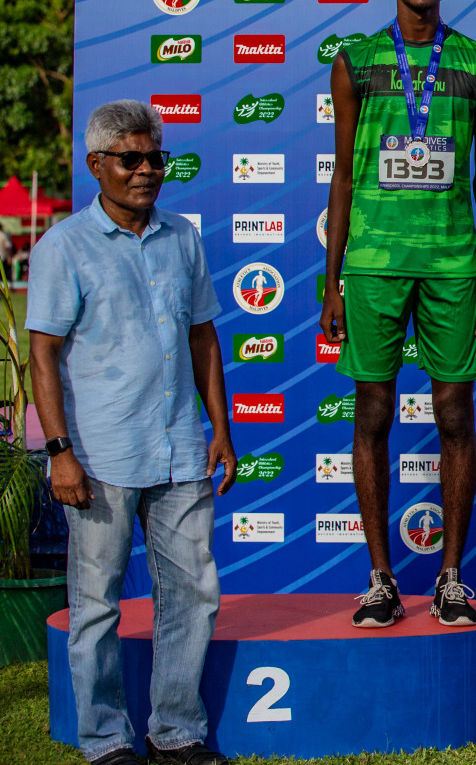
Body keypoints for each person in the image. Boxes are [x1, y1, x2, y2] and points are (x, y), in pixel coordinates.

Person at [28, 100, 237, 765]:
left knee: (194, 595)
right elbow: (42, 355)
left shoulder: (183, 237)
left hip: (180, 450)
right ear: (97, 166)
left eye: (156, 158)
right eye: (130, 159)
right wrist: (60, 452)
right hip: (102, 458)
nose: (147, 170)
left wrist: (221, 428)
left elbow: (202, 334)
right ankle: (106, 741)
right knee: (97, 607)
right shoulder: (63, 246)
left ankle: (176, 733)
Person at [320, 0, 476, 627]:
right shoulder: (356, 60)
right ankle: (379, 579)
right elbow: (341, 175)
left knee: (455, 413)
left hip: (452, 262)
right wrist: (330, 280)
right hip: (371, 263)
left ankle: (450, 578)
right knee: (371, 412)